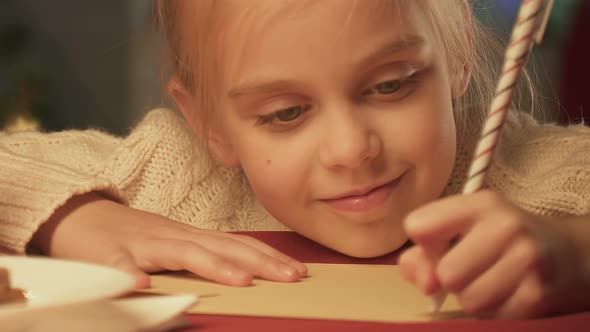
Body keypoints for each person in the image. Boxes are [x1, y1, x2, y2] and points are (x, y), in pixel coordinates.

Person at [0, 0, 588, 319]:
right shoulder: (178, 171)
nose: (351, 149)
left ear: (457, 51)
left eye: (390, 86)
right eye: (284, 113)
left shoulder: (537, 173)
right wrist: (78, 217)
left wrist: (576, 255)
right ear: (208, 123)